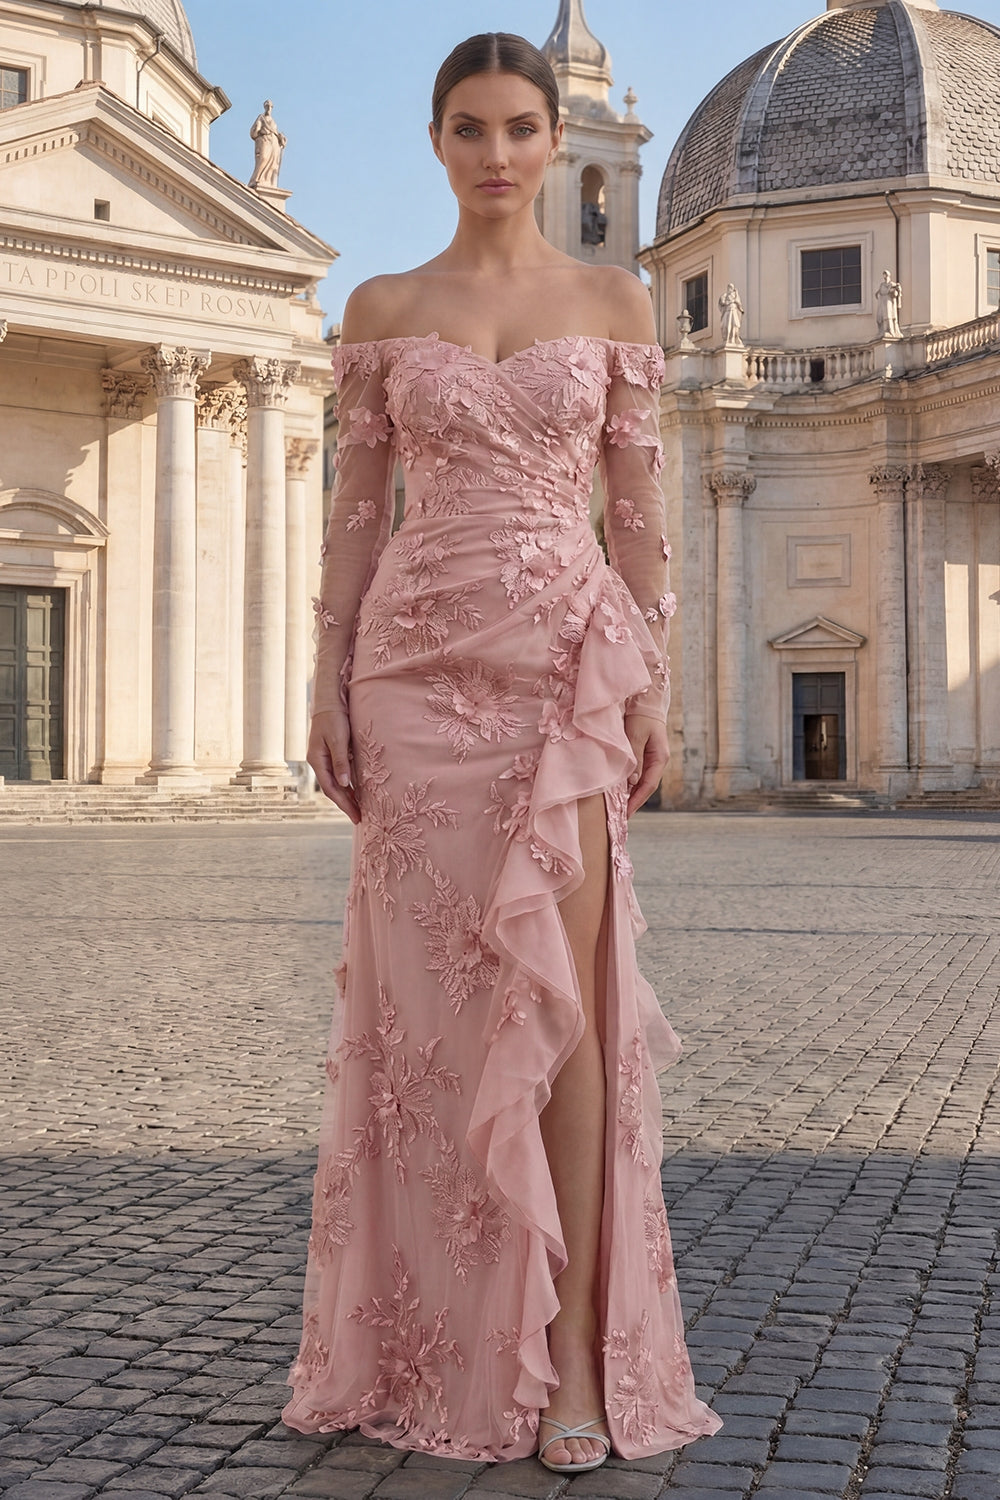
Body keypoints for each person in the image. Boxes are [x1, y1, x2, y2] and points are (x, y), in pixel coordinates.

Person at [281, 30, 722, 1475]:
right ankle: (439, 1343)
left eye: (521, 129)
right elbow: (356, 518)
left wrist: (649, 682)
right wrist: (329, 682)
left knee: (568, 1013)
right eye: (469, 129)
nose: (497, 155)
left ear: (555, 141)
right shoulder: (383, 306)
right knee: (426, 1023)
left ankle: (578, 1359)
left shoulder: (614, 300)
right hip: (411, 674)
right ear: (435, 140)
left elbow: (639, 515)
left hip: (561, 676)